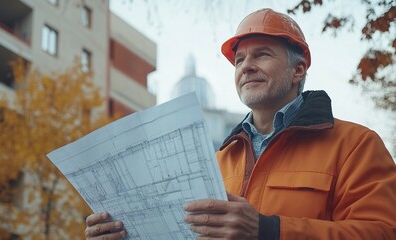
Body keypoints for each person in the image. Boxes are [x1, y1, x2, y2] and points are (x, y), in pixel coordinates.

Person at [85, 8, 396, 239]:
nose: (246, 67)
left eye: (261, 55)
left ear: (298, 70)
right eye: (239, 60)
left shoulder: (356, 145)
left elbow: (382, 232)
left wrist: (270, 231)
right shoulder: (215, 163)